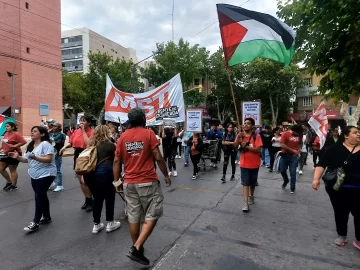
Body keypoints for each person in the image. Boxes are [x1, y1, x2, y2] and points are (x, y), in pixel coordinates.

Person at [113, 108, 171, 266]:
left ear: (130, 121)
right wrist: (166, 175)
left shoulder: (123, 137)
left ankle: (138, 249)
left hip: (129, 183)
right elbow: (158, 157)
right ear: (144, 120)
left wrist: (116, 182)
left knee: (133, 217)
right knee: (153, 213)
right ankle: (137, 247)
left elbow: (117, 161)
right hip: (147, 181)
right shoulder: (149, 134)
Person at [312, 126, 360, 250]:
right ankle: (342, 235)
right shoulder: (333, 149)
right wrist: (316, 179)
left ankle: (359, 239)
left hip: (358, 188)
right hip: (337, 188)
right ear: (346, 135)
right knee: (340, 212)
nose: (359, 134)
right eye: (355, 132)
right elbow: (321, 164)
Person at [8, 126, 56, 232]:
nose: (32, 133)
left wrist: (35, 157)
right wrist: (17, 157)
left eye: (35, 131)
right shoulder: (30, 145)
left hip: (46, 174)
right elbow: (26, 160)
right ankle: (47, 217)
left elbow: (48, 159)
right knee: (42, 195)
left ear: (42, 134)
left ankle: (35, 222)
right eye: (31, 131)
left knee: (38, 196)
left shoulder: (45, 144)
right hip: (34, 174)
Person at [83, 125, 121, 234]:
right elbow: (117, 160)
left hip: (90, 175)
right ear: (106, 132)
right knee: (109, 197)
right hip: (105, 174)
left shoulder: (91, 145)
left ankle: (96, 224)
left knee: (97, 198)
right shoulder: (109, 145)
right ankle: (110, 222)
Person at [60, 115, 94, 211]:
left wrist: (83, 131)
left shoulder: (92, 132)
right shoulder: (76, 131)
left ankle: (92, 200)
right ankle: (87, 200)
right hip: (77, 155)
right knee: (81, 181)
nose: (81, 123)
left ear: (89, 123)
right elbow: (71, 142)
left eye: (84, 121)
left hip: (87, 155)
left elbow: (88, 144)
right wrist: (64, 147)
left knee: (86, 181)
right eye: (81, 121)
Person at [234, 118, 262, 213]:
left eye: (248, 123)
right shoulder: (240, 136)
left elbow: (258, 150)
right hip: (244, 164)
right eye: (244, 123)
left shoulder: (256, 136)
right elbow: (235, 146)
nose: (246, 125)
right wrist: (238, 137)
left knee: (253, 182)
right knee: (245, 183)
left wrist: (247, 147)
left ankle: (251, 196)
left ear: (252, 126)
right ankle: (245, 203)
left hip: (254, 164)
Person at [0, 122, 27, 191]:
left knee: (12, 170)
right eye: (6, 126)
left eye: (8, 126)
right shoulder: (6, 134)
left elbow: (24, 141)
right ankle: (9, 182)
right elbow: (3, 143)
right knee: (1, 168)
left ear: (12, 127)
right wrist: (1, 148)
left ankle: (14, 185)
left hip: (14, 153)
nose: (6, 127)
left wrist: (14, 146)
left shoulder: (16, 134)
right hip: (5, 154)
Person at [279, 124, 303, 193]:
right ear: (293, 130)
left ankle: (292, 187)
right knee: (282, 170)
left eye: (299, 133)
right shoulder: (285, 134)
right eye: (297, 132)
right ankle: (286, 180)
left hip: (294, 157)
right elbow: (282, 144)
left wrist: (299, 149)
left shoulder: (299, 136)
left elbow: (299, 144)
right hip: (285, 155)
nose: (298, 134)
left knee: (293, 172)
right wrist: (292, 150)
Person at [49, 123, 66, 192]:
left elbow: (57, 142)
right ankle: (51, 183)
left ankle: (60, 185)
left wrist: (50, 139)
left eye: (55, 126)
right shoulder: (51, 134)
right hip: (51, 154)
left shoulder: (62, 135)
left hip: (58, 154)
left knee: (57, 170)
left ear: (59, 127)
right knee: (50, 169)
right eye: (52, 126)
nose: (53, 127)